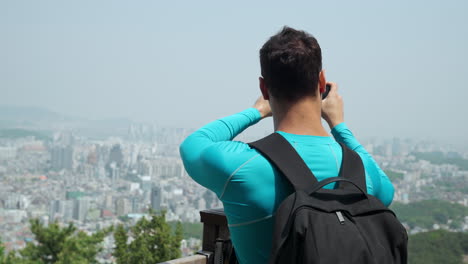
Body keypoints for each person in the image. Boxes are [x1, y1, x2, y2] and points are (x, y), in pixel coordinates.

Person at [179, 26, 394, 264]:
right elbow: (387, 192)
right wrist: (338, 124)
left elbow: (193, 145)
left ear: (264, 88)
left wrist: (257, 111)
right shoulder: (362, 170)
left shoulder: (243, 165)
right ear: (321, 82)